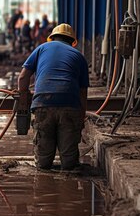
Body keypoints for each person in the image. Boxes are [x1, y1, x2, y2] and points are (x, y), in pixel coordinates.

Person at [17, 23, 89, 170]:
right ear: (72, 41)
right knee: (69, 161)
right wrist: (81, 117)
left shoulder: (41, 48)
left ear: (52, 38)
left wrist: (24, 97)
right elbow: (83, 93)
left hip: (43, 102)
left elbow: (23, 78)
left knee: (43, 161)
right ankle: (69, 181)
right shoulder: (78, 56)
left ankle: (44, 183)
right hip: (70, 104)